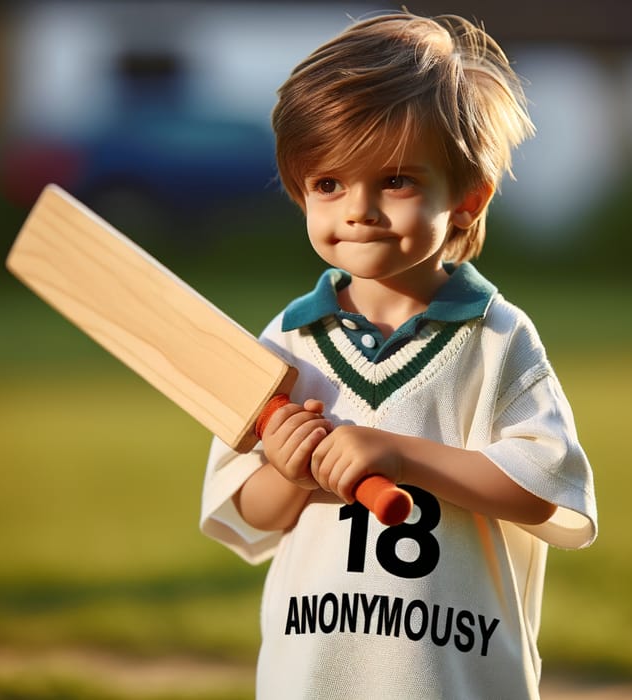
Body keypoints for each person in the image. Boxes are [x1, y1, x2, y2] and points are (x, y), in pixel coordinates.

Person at [201, 11, 597, 699]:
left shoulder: (497, 337)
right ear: (300, 191)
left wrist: (400, 455)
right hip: (312, 678)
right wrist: (289, 471)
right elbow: (251, 511)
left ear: (467, 200)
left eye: (395, 182)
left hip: (454, 679)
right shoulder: (286, 342)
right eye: (328, 184)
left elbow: (543, 491)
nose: (358, 210)